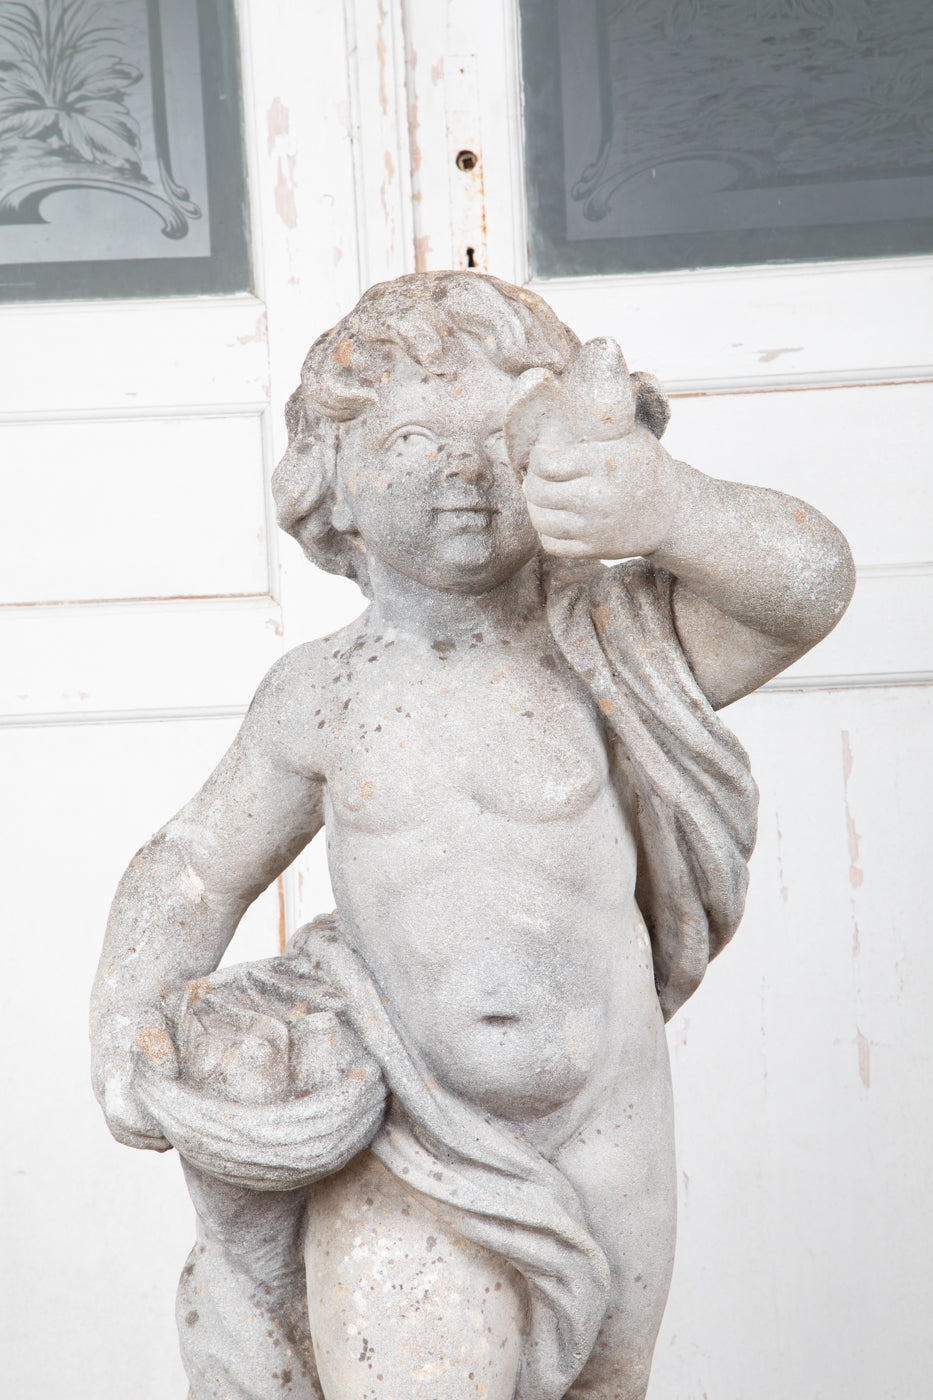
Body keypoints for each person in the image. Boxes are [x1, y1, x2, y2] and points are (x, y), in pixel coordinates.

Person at [91, 271, 854, 1400]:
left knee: (604, 1383)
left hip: (609, 1110)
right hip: (407, 1113)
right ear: (333, 483)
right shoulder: (323, 692)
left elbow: (809, 585)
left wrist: (672, 508)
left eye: (502, 434)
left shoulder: (614, 639)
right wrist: (125, 1017)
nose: (463, 468)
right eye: (409, 436)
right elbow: (196, 864)